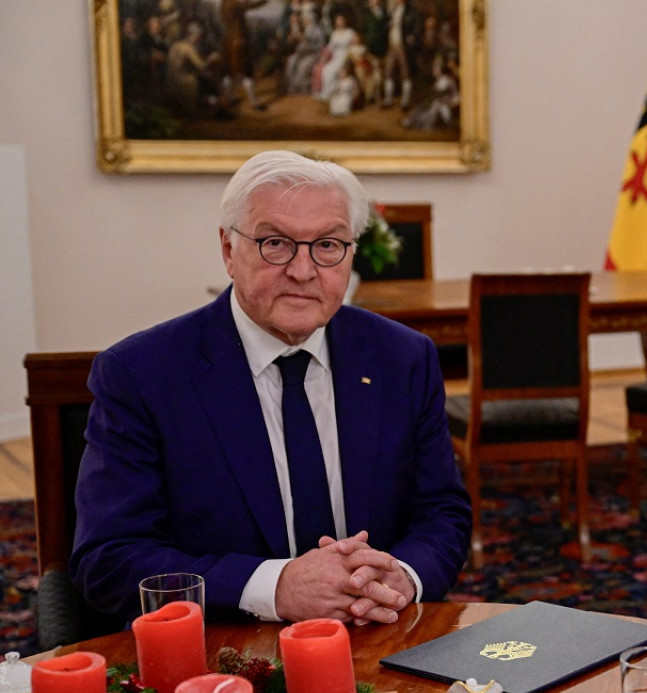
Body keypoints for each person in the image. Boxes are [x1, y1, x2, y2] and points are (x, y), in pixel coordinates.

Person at [71, 149, 472, 628]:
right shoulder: (142, 374)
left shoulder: (403, 358)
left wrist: (403, 577)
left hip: (379, 636)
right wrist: (275, 588)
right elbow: (109, 557)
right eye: (276, 243)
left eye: (328, 245)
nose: (303, 271)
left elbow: (442, 512)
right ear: (227, 250)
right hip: (224, 653)